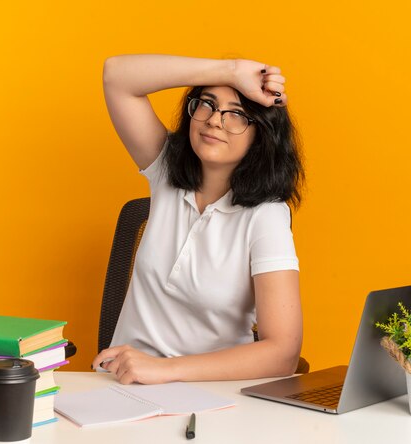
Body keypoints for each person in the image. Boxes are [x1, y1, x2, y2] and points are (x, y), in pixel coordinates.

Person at [92, 55, 305, 385]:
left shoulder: (265, 215)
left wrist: (164, 370)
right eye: (207, 104)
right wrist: (230, 71)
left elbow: (283, 352)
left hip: (207, 391)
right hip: (121, 380)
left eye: (236, 114)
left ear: (260, 135)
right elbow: (117, 76)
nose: (215, 121)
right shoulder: (166, 169)